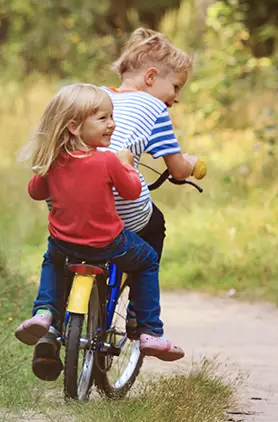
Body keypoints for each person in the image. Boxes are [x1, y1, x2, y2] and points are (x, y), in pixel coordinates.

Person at [14, 83, 185, 378]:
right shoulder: (108, 159)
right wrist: (127, 165)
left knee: (52, 263)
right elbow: (131, 192)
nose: (112, 125)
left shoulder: (54, 161)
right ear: (74, 126)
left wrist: (42, 168)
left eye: (112, 117)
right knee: (146, 259)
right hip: (108, 243)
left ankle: (44, 314)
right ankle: (149, 331)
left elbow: (36, 192)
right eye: (104, 119)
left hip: (64, 244)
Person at [101, 28, 200, 256]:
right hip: (122, 208)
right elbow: (178, 170)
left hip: (74, 202)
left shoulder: (96, 96)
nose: (176, 98)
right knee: (155, 225)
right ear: (151, 77)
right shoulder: (154, 107)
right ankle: (142, 290)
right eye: (176, 86)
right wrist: (191, 164)